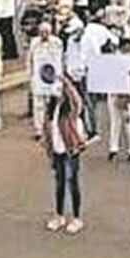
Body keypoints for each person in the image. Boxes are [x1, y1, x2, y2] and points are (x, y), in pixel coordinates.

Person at [43, 74, 87, 234]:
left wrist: (66, 83)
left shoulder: (71, 109)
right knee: (59, 183)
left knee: (72, 181)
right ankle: (59, 215)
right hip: (57, 150)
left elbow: (77, 101)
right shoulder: (53, 108)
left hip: (70, 149)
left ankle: (76, 217)